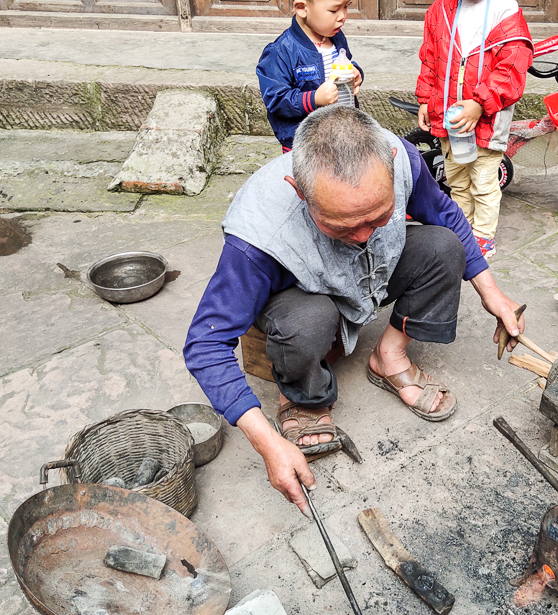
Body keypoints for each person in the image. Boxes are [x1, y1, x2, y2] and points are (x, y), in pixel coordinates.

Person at [184, 106, 523, 514]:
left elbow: (446, 215)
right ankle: (305, 397)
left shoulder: (402, 158)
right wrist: (266, 441)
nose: (362, 236)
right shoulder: (257, 233)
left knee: (442, 246)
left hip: (370, 276)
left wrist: (491, 291)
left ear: (393, 162)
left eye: (378, 217)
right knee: (308, 321)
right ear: (298, 191)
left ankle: (388, 355)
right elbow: (205, 343)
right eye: (342, 227)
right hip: (302, 298)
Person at [415, 0, 533, 258]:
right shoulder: (441, 10)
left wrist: (480, 102)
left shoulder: (504, 12)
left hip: (486, 120)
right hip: (452, 120)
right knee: (457, 178)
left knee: (483, 180)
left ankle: (483, 235)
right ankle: (462, 227)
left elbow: (511, 71)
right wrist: (425, 98)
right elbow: (431, 58)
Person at [256, 0, 364, 150]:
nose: (342, 17)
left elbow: (345, 62)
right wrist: (314, 98)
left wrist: (356, 72)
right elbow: (276, 100)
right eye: (334, 10)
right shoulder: (281, 51)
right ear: (301, 8)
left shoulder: (336, 37)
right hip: (304, 146)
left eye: (346, 6)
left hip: (341, 135)